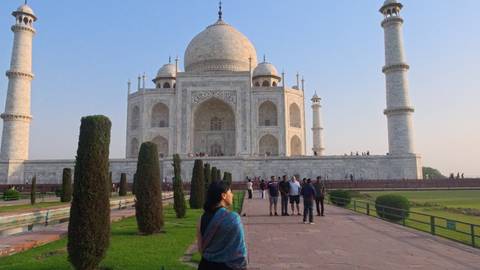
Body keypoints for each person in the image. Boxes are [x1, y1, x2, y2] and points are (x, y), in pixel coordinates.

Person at [197, 181, 247, 270]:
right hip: (228, 266)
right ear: (223, 196)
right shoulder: (233, 218)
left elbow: (201, 249)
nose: (232, 195)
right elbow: (240, 250)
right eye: (230, 192)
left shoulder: (201, 218)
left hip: (206, 265)